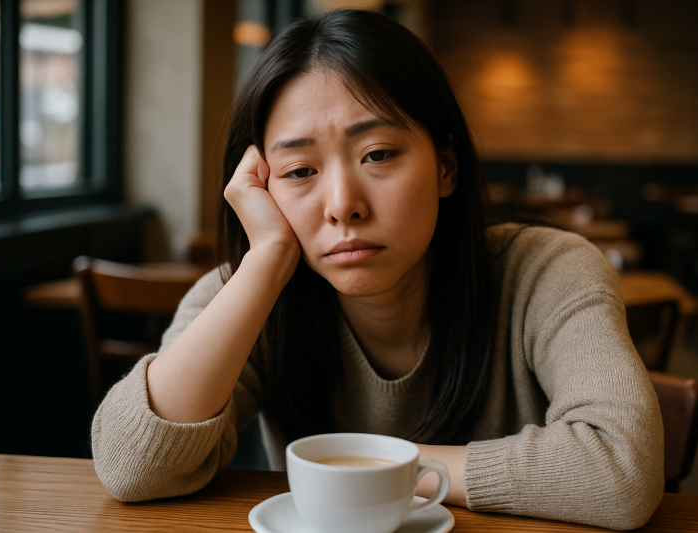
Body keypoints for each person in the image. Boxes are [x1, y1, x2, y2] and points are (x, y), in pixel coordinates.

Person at [92, 8, 664, 530]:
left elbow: (621, 472)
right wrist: (265, 261)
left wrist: (371, 468)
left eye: (378, 155)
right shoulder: (244, 294)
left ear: (445, 166)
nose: (343, 204)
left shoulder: (547, 272)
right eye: (299, 171)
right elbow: (129, 468)